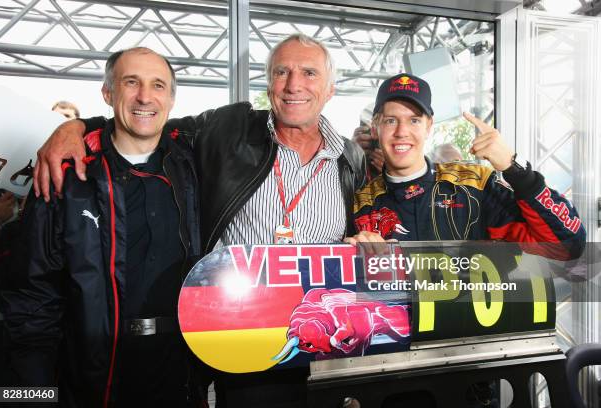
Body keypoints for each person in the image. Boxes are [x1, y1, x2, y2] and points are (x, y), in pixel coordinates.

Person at [31, 34, 366, 407]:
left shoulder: (350, 159)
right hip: (237, 344)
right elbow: (145, 121)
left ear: (331, 88)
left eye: (309, 73)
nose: (293, 85)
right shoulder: (226, 131)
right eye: (281, 72)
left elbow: (362, 237)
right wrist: (74, 128)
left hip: (322, 341)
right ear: (268, 82)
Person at [3, 47, 203, 407]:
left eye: (158, 85)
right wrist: (35, 394)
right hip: (91, 376)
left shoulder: (192, 164)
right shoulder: (66, 175)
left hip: (177, 373)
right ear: (108, 94)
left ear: (171, 100)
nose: (145, 96)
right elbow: (32, 299)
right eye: (131, 82)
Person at [347, 72, 585, 253]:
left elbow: (568, 245)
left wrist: (514, 168)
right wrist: (361, 255)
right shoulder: (360, 203)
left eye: (414, 121)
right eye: (391, 120)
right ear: (376, 127)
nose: (402, 132)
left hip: (473, 318)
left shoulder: (473, 186)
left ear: (429, 126)